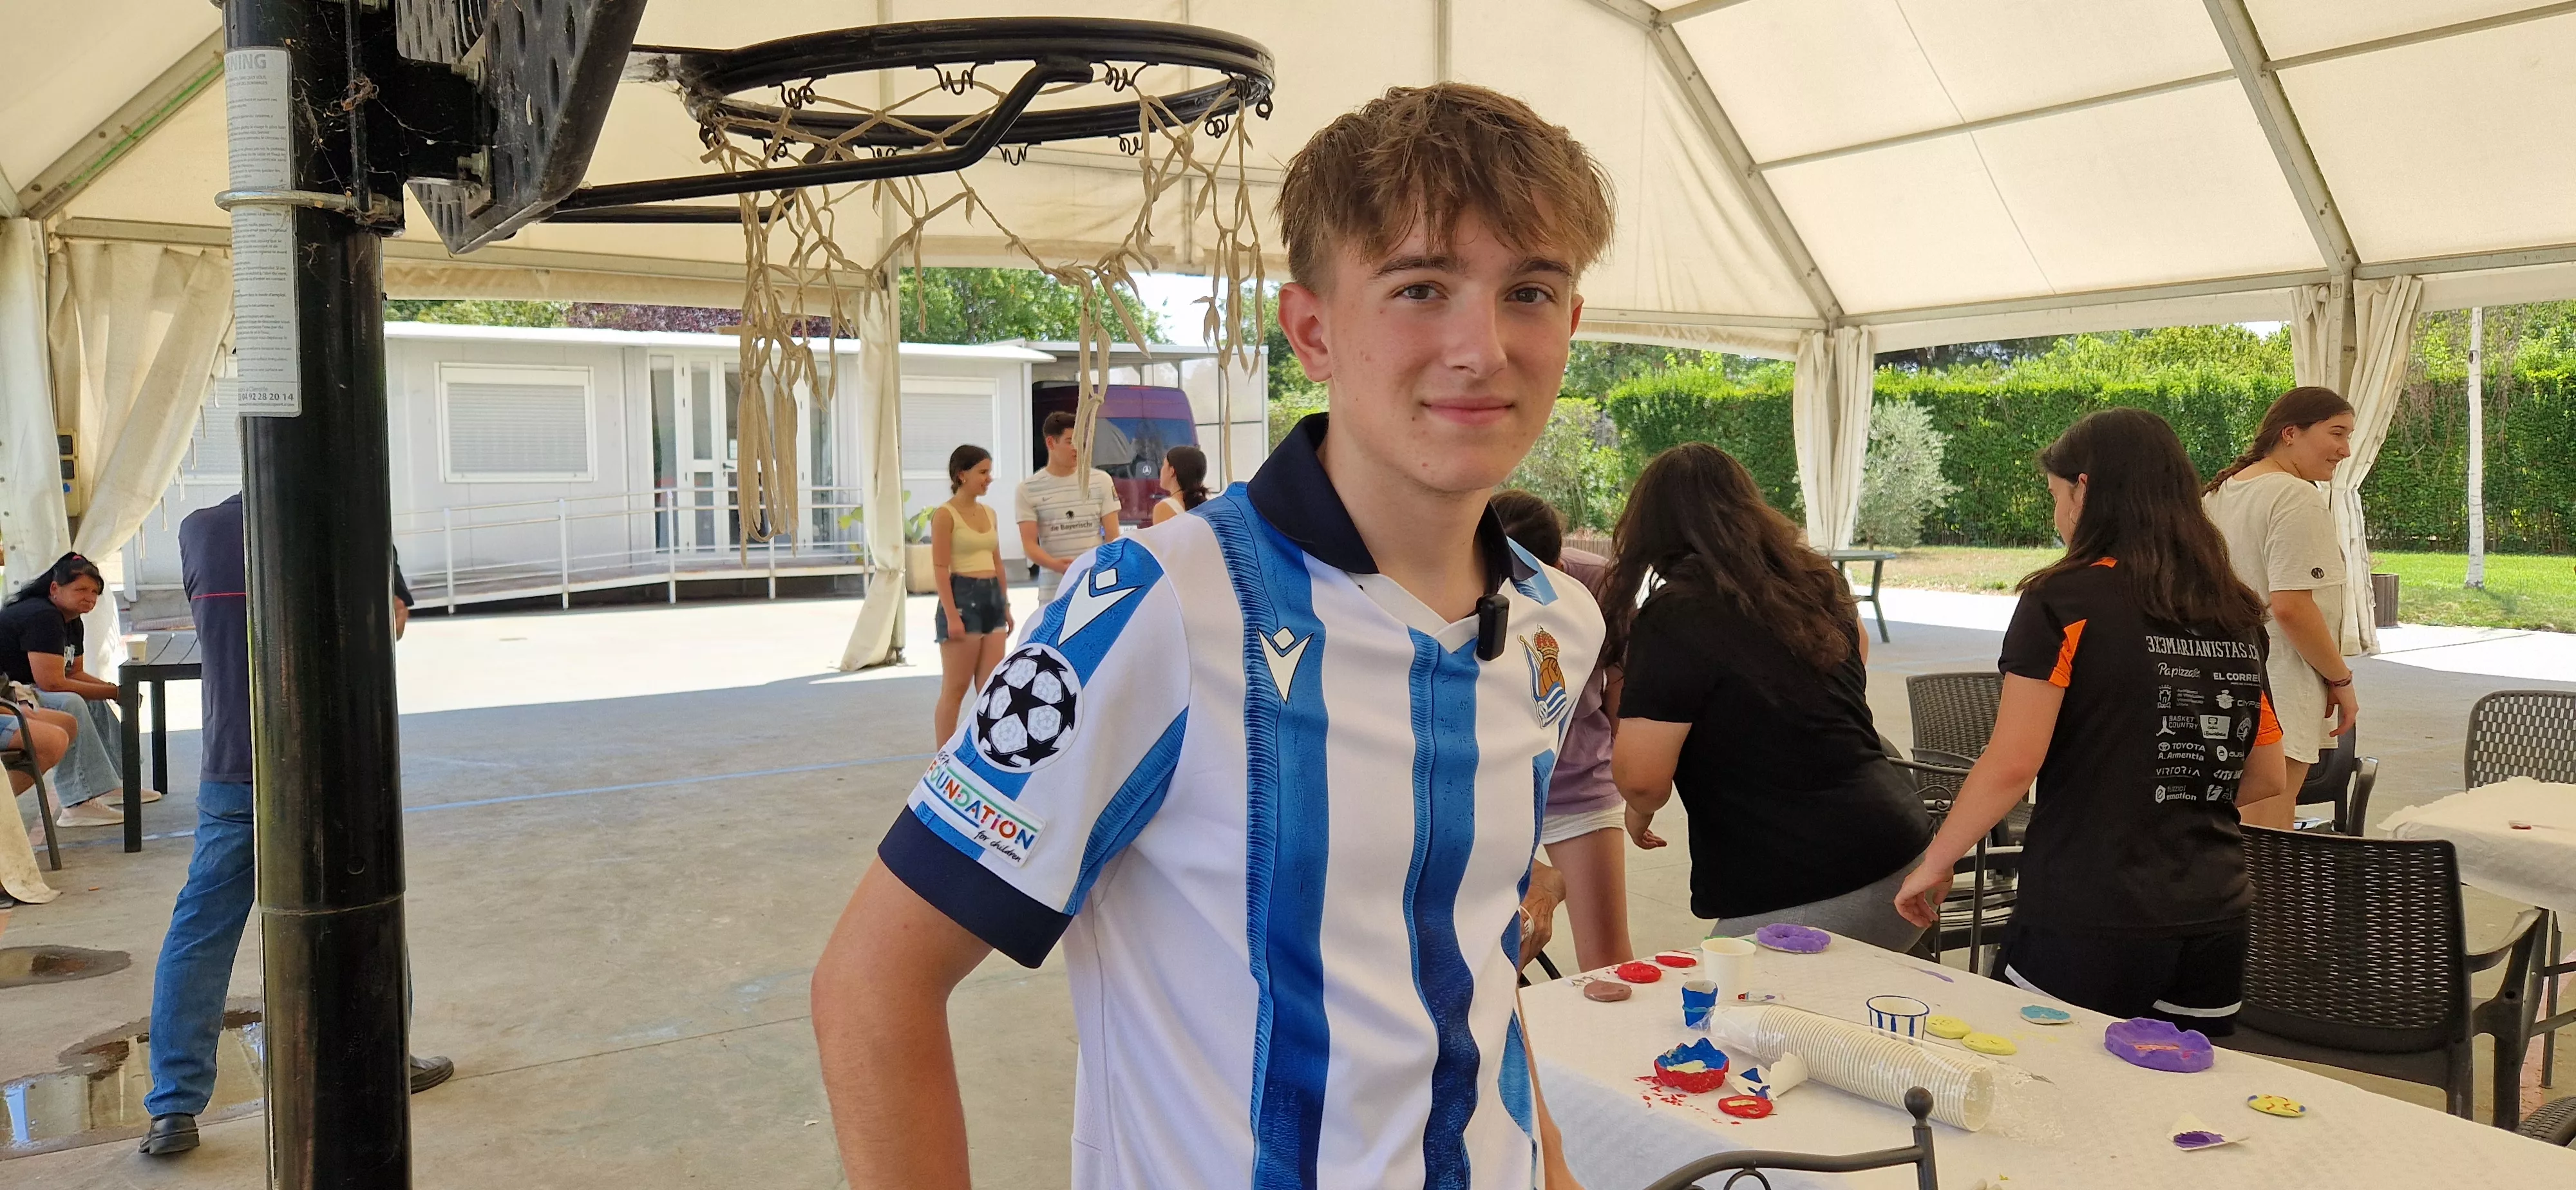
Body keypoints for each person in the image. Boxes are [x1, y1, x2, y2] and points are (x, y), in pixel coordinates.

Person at [810, 82, 1615, 1189]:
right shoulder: (1152, 603)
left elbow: (1470, 961)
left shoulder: (1555, 622)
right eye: (1422, 287)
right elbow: (873, 980)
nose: (1482, 346)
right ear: (1314, 329)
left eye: (1528, 290)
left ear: (1571, 323)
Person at [1893, 410, 2291, 1032]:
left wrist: (1939, 858)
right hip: (2215, 910)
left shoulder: (2063, 600)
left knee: (2044, 1087)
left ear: (2086, 489)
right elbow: (2266, 774)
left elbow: (2012, 763)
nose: (2057, 516)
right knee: (2177, 1103)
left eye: (2056, 497)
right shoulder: (2235, 613)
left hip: (2089, 910)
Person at [141, 493, 450, 1156]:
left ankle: (173, 1106)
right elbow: (389, 623)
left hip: (236, 763)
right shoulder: (353, 516)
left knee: (201, 927)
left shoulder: (200, 529)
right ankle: (386, 1059)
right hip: (336, 762)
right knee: (368, 912)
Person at [1602, 445, 1933, 952]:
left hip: (1815, 878)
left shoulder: (1676, 614)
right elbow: (1849, 678)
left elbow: (1644, 778)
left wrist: (1639, 805)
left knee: (1726, 1017)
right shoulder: (1817, 584)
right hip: (1905, 848)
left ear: (1650, 526)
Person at [1489, 487, 1633, 970]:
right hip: (1491, 789)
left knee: (1609, 960)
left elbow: (1619, 681)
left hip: (1577, 782)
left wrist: (1628, 770)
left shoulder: (1595, 585)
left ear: (1559, 568)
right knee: (1486, 962)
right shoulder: (1456, 579)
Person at [2202, 386, 2358, 829]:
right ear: (2290, 433)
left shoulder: (2220, 493)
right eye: (2336, 434)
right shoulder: (2295, 497)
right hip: (2278, 689)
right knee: (2265, 844)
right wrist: (2340, 677)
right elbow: (2291, 608)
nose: (2345, 450)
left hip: (2222, 684)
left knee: (2225, 834)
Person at [0, 552, 135, 827]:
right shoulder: (43, 616)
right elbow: (51, 683)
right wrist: (115, 693)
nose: (90, 597)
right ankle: (77, 801)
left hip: (28, 689)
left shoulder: (71, 619)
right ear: (54, 589)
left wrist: (114, 690)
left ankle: (110, 783)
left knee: (90, 697)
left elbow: (75, 672)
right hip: (14, 692)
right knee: (71, 701)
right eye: (81, 589)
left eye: (95, 592)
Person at [929, 445, 1014, 747]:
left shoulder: (990, 513)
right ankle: (942, 760)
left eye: (989, 472)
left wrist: (1005, 605)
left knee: (992, 688)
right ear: (961, 475)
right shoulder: (945, 515)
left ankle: (988, 755)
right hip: (962, 597)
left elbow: (998, 562)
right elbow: (940, 567)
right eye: (983, 472)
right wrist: (952, 615)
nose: (989, 478)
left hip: (991, 597)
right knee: (955, 688)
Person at [1016, 411, 1122, 602]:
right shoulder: (1028, 489)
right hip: (1053, 593)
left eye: (1080, 441)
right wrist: (1056, 565)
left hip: (1095, 589)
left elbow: (1113, 537)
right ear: (1051, 443)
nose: (1077, 448)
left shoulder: (1101, 481)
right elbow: (1029, 545)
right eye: (1069, 441)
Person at [1148, 444, 1211, 525]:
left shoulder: (1164, 508)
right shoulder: (1208, 507)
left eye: (1163, 465)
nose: (1161, 470)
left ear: (1172, 471)